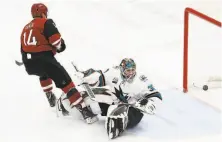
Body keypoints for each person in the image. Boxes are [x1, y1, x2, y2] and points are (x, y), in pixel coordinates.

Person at [20, 3, 98, 124]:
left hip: (29, 63)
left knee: (43, 73)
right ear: (42, 13)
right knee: (67, 82)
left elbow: (23, 49)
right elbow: (56, 40)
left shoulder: (25, 28)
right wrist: (60, 46)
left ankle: (49, 95)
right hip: (44, 60)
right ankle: (86, 112)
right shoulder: (45, 22)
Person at [57, 58, 163, 139]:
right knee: (93, 94)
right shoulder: (113, 72)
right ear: (122, 70)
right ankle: (70, 105)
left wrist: (147, 102)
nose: (130, 73)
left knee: (124, 115)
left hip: (133, 111)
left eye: (132, 70)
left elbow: (156, 95)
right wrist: (88, 75)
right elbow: (100, 75)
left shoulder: (142, 80)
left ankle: (120, 122)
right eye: (127, 71)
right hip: (115, 102)